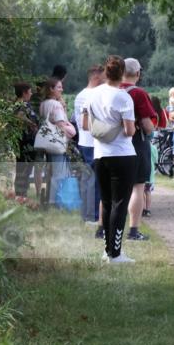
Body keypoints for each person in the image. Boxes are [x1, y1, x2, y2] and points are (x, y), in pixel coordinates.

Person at [83, 55, 137, 263]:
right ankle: (116, 253)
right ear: (122, 74)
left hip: (100, 154)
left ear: (105, 72)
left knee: (106, 202)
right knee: (120, 204)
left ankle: (107, 251)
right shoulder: (123, 97)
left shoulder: (93, 94)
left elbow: (86, 124)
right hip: (122, 154)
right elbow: (129, 130)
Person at [120, 58, 156, 241]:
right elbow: (147, 125)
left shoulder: (111, 91)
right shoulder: (138, 93)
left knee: (114, 189)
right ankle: (133, 230)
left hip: (112, 145)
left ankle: (106, 228)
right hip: (135, 143)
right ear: (138, 73)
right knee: (137, 187)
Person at [73, 65, 105, 226]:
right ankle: (93, 216)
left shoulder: (80, 95)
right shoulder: (95, 94)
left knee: (86, 180)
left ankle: (85, 214)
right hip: (93, 142)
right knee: (96, 181)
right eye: (104, 75)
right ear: (96, 76)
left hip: (83, 141)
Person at [37, 77, 77, 205]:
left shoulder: (43, 104)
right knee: (59, 174)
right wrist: (71, 132)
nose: (62, 89)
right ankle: (56, 202)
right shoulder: (56, 104)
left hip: (47, 142)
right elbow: (61, 125)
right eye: (59, 87)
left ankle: (51, 199)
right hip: (57, 143)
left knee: (52, 172)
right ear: (51, 89)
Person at [12, 82, 40, 198]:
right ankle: (20, 194)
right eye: (29, 91)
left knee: (26, 169)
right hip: (24, 142)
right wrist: (31, 124)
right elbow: (19, 117)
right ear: (24, 93)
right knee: (23, 168)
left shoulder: (25, 104)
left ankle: (22, 193)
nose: (31, 93)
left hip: (29, 141)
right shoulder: (20, 105)